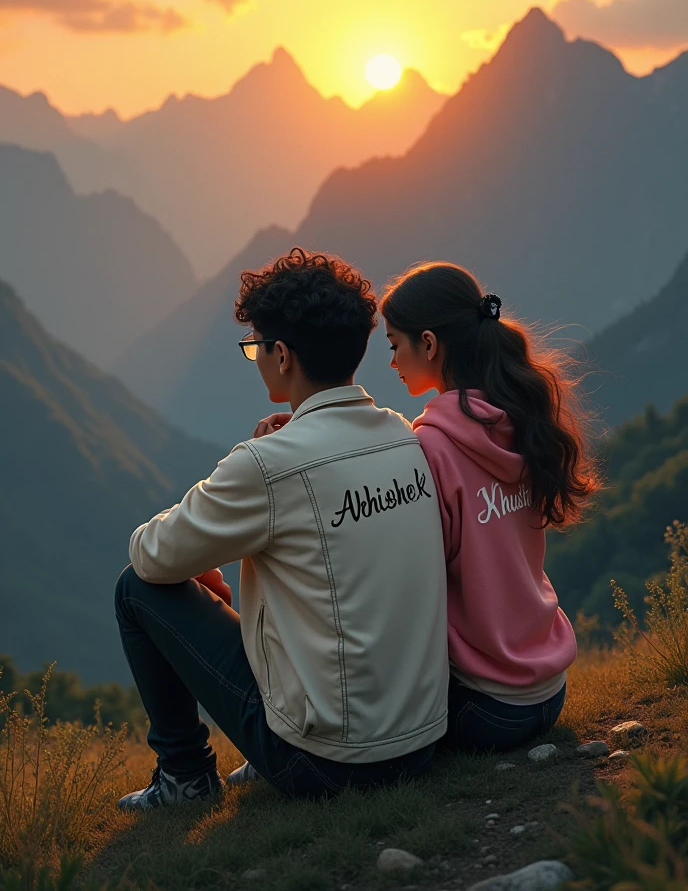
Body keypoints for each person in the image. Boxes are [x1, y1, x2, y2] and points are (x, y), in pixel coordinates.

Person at [115, 248, 448, 809]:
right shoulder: (401, 434)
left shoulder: (269, 464)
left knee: (135, 588)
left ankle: (186, 777)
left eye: (256, 347)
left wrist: (212, 544)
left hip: (326, 763)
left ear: (283, 355)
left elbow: (152, 555)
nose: (257, 358)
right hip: (421, 740)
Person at [380, 262, 599, 753]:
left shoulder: (433, 447)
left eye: (395, 345)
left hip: (486, 709)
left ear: (430, 344)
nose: (391, 361)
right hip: (549, 691)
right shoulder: (523, 416)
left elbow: (417, 579)